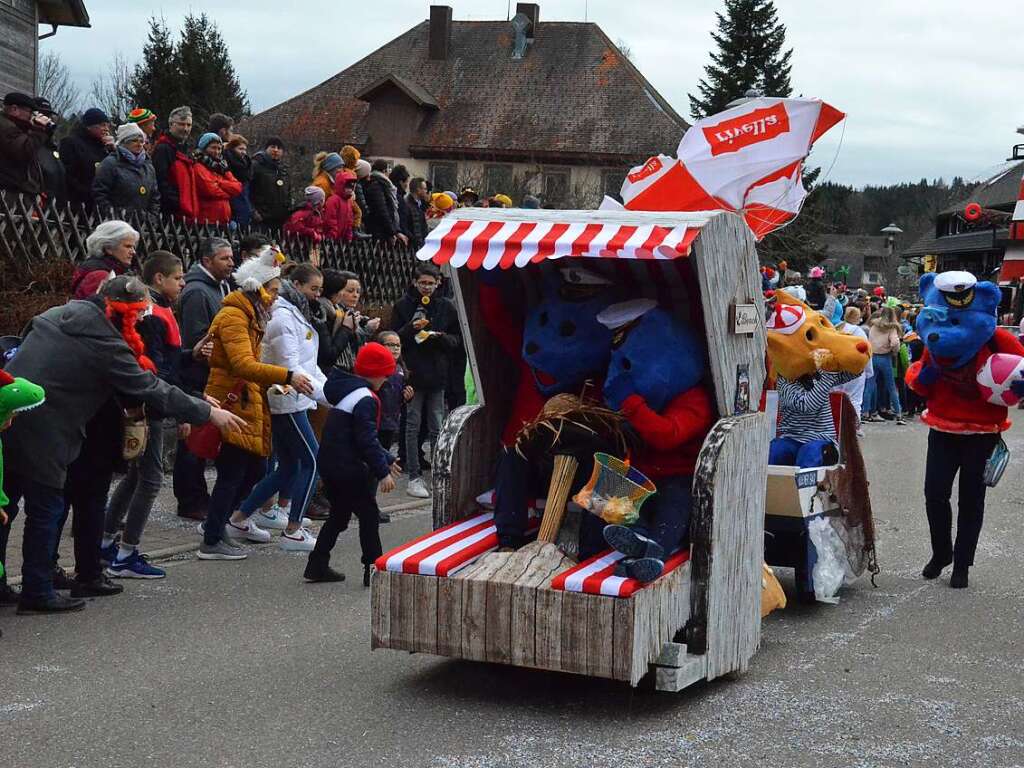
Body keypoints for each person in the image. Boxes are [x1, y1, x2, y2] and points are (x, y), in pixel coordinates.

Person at [0, 276, 243, 612]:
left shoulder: (55, 315)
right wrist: (206, 412)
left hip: (9, 413)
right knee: (45, 508)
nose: (142, 321)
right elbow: (146, 386)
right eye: (140, 314)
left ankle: (3, 585)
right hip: (49, 426)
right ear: (125, 312)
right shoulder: (105, 341)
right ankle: (37, 591)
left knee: (6, 505)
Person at [198, 247, 315, 561]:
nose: (276, 297)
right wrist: (287, 375)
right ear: (258, 288)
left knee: (252, 469)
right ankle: (212, 535)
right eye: (273, 291)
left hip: (248, 400)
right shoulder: (235, 315)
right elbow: (242, 364)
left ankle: (223, 525)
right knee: (234, 471)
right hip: (234, 400)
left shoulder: (249, 314)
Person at [227, 263, 326, 550]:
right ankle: (293, 530)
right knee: (312, 460)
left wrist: (328, 391)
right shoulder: (283, 318)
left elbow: (308, 362)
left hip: (295, 396)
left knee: (290, 466)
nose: (316, 295)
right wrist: (323, 394)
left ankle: (239, 517)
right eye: (312, 288)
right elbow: (289, 366)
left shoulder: (294, 313)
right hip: (287, 398)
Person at [102, 252, 188, 578]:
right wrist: (180, 406)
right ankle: (126, 553)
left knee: (136, 476)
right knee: (151, 479)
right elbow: (156, 367)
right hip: (148, 406)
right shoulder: (150, 315)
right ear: (158, 280)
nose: (182, 283)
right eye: (178, 278)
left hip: (149, 402)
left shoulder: (158, 311)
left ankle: (105, 541)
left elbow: (169, 360)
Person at [306, 342, 400, 585]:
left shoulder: (349, 393)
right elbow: (366, 439)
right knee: (368, 515)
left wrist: (387, 459)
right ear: (376, 374)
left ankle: (317, 564)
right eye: (386, 374)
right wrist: (382, 471)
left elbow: (356, 435)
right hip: (348, 468)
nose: (387, 379)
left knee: (338, 516)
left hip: (332, 465)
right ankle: (374, 569)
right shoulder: (367, 399)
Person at [174, 237, 234, 521]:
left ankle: (199, 496)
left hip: (212, 374)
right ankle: (190, 499)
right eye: (224, 258)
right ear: (207, 261)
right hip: (198, 375)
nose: (231, 264)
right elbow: (199, 337)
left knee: (204, 440)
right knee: (192, 443)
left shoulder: (218, 287)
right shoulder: (198, 292)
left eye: (231, 258)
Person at [389, 263, 460, 499]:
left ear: (438, 282)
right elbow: (394, 339)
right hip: (413, 374)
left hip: (438, 374)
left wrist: (439, 338)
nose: (426, 288)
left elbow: (457, 340)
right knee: (411, 424)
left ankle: (442, 471)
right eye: (422, 283)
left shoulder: (447, 307)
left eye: (431, 283)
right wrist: (411, 328)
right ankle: (413, 475)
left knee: (437, 425)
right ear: (414, 282)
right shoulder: (403, 305)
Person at [92, 123, 160, 214]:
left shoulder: (148, 167)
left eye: (141, 141)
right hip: (117, 224)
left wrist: (152, 219)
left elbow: (155, 197)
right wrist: (114, 218)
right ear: (124, 142)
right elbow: (100, 195)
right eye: (134, 141)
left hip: (143, 225)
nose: (139, 144)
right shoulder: (110, 164)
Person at [0, 91, 54, 196]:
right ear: (14, 109)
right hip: (8, 190)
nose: (31, 116)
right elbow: (23, 151)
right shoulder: (6, 127)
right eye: (30, 112)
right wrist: (39, 130)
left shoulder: (17, 128)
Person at [59, 108, 114, 211]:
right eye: (102, 125)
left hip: (100, 204)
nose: (106, 129)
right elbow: (68, 174)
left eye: (107, 125)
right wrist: (87, 192)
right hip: (78, 203)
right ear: (90, 126)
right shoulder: (71, 143)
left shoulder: (104, 147)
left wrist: (113, 152)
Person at [70, 219, 138, 299]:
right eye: (128, 246)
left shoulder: (114, 270)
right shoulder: (100, 276)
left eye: (133, 247)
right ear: (109, 248)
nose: (133, 252)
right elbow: (96, 309)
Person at [152, 106, 198, 219]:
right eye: (182, 124)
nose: (186, 129)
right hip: (170, 213)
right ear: (171, 124)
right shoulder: (163, 149)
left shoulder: (187, 150)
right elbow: (160, 181)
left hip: (186, 212)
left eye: (189, 125)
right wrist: (177, 203)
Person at [835, 306, 873, 432]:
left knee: (836, 397)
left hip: (838, 368)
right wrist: (868, 370)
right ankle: (854, 427)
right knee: (855, 399)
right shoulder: (858, 331)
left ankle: (836, 424)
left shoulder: (837, 329)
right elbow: (866, 351)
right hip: (856, 369)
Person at [374, 330, 413, 454]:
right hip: (377, 421)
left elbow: (398, 395)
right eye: (390, 345)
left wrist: (407, 396)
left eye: (398, 345)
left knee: (385, 450)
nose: (395, 348)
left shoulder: (400, 369)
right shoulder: (376, 369)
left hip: (392, 421)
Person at [865, 306, 905, 425]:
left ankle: (865, 412)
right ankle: (898, 414)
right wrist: (894, 351)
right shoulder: (892, 328)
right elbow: (895, 342)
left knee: (870, 385)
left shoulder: (873, 326)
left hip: (872, 357)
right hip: (885, 357)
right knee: (891, 386)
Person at [193, 133, 242, 225]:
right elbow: (210, 190)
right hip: (206, 220)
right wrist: (229, 192)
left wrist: (219, 182)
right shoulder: (198, 167)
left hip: (223, 220)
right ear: (204, 148)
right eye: (213, 148)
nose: (217, 152)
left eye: (219, 148)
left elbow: (238, 187)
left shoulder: (221, 168)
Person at [250, 136, 292, 230]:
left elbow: (288, 192)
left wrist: (288, 210)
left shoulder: (284, 170)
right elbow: (247, 190)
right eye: (273, 147)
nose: (276, 150)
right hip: (261, 219)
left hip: (281, 220)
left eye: (279, 148)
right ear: (266, 149)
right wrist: (253, 211)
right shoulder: (255, 166)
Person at [30, 97, 65, 205]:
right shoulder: (28, 143)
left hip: (53, 206)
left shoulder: (52, 147)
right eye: (42, 114)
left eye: (48, 116)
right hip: (33, 204)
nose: (47, 119)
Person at [362, 159, 406, 244]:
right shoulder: (377, 186)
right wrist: (392, 232)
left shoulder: (380, 184)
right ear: (384, 171)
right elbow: (382, 211)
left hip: (382, 231)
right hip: (379, 233)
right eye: (388, 170)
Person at [223, 134, 253, 226]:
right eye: (240, 149)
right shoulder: (227, 163)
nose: (243, 152)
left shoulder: (246, 165)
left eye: (244, 149)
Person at [323, 170, 358, 242]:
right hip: (331, 238)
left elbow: (349, 221)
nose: (350, 190)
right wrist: (332, 234)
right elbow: (330, 219)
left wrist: (349, 235)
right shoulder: (333, 200)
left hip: (341, 239)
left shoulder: (348, 201)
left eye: (352, 187)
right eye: (348, 187)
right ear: (341, 185)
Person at [404, 176, 429, 251]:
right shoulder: (407, 205)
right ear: (418, 190)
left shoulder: (419, 205)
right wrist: (416, 240)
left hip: (418, 246)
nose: (426, 191)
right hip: (411, 248)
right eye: (424, 189)